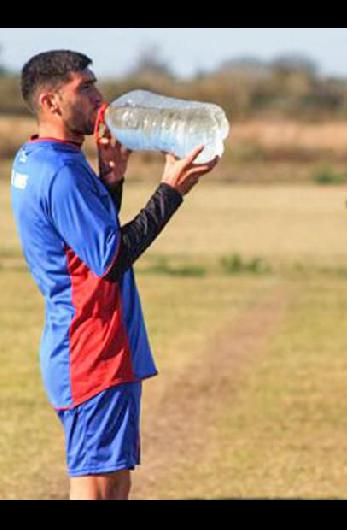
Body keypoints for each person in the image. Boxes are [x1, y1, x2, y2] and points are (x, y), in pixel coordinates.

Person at [10, 50, 218, 500]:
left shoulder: (39, 158)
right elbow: (110, 258)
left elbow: (84, 242)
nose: (98, 97)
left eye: (94, 83)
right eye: (83, 88)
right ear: (50, 103)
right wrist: (171, 190)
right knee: (99, 487)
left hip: (84, 343)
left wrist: (110, 180)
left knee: (112, 481)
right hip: (93, 350)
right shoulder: (61, 172)